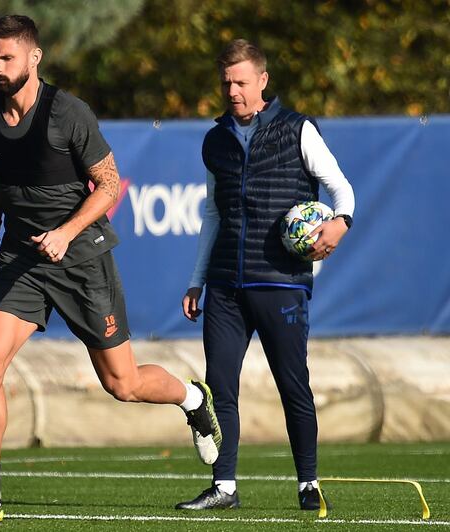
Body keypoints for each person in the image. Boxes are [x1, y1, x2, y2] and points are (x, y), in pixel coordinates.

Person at [0, 14, 221, 525]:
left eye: (8, 57)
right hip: (22, 258)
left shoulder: (68, 113)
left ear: (34, 58)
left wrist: (66, 233)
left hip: (81, 257)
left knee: (122, 384)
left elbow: (111, 185)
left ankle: (191, 398)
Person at [175, 39, 355, 511]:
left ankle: (308, 485)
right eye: (226, 82)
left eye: (240, 81)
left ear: (262, 80)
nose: (232, 90)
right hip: (226, 286)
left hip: (282, 282)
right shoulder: (214, 139)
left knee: (293, 385)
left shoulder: (299, 130)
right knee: (220, 388)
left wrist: (341, 223)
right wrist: (197, 279)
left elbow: (342, 189)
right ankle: (225, 488)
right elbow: (212, 214)